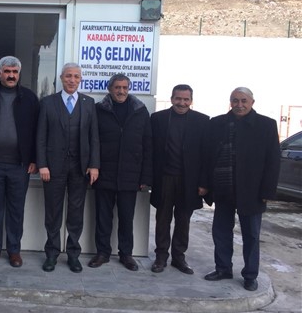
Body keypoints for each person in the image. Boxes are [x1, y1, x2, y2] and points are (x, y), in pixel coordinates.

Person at [204, 87, 280, 291]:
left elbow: (273, 160)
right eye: (235, 100)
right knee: (221, 231)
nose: (239, 105)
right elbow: (208, 156)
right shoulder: (217, 123)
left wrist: (267, 191)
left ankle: (250, 275)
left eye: (243, 101)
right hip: (223, 187)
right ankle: (223, 269)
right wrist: (206, 184)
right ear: (230, 102)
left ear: (252, 102)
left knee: (251, 235)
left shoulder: (266, 125)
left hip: (252, 190)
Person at [0, 56, 39, 268]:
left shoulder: (29, 98)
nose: (11, 75)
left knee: (16, 210)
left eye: (14, 72)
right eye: (7, 71)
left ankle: (14, 251)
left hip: (19, 166)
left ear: (19, 74)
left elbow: (37, 131)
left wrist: (34, 159)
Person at [36, 63, 99, 273]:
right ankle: (52, 254)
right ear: (61, 78)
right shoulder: (48, 103)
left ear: (80, 79)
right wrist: (42, 164)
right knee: (53, 212)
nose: (72, 80)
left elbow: (94, 137)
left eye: (76, 76)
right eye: (68, 76)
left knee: (76, 213)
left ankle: (73, 255)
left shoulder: (89, 103)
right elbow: (41, 137)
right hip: (53, 168)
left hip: (80, 168)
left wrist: (94, 165)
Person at [90, 73, 152, 271]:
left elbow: (147, 144)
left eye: (125, 87)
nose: (121, 91)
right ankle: (102, 253)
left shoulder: (140, 111)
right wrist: (93, 167)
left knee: (126, 218)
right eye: (117, 87)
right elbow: (92, 141)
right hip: (104, 174)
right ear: (110, 89)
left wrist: (145, 176)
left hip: (130, 175)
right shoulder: (99, 110)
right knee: (103, 217)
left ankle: (126, 254)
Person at [150, 84, 210, 274]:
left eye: (186, 99)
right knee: (162, 219)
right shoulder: (158, 119)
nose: (182, 103)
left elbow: (206, 155)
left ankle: (179, 257)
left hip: (189, 181)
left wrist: (204, 183)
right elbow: (150, 150)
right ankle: (161, 257)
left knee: (183, 220)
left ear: (191, 100)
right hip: (165, 178)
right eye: (178, 98)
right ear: (172, 99)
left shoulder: (202, 121)